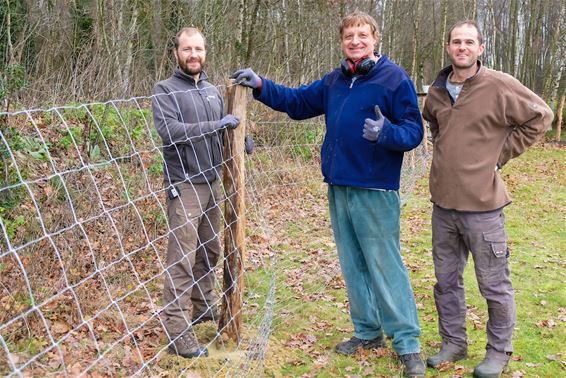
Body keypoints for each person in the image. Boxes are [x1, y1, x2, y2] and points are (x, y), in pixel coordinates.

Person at [232, 10, 426, 378]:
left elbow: (414, 132)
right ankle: (368, 333)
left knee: (385, 266)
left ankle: (408, 344)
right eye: (349, 36)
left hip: (375, 188)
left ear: (375, 38)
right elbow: (298, 102)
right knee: (353, 265)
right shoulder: (336, 80)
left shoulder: (394, 79)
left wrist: (386, 133)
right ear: (342, 42)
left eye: (362, 35)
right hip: (339, 186)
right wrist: (260, 85)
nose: (355, 41)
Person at [422, 20, 553, 378]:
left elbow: (541, 117)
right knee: (446, 281)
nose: (461, 47)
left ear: (481, 48)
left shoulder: (499, 85)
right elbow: (435, 126)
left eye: (469, 42)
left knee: (494, 285)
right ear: (448, 47)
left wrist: (500, 153)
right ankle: (453, 342)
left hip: (483, 208)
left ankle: (498, 352)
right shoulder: (436, 91)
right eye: (455, 42)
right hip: (443, 207)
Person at [152, 27, 241, 359]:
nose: (193, 54)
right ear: (175, 52)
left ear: (205, 52)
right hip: (185, 184)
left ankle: (202, 307)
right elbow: (170, 131)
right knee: (182, 259)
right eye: (187, 49)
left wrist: (237, 138)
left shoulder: (211, 91)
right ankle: (178, 333)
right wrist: (217, 127)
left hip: (211, 182)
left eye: (198, 49)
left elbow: (222, 127)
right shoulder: (165, 90)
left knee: (210, 251)